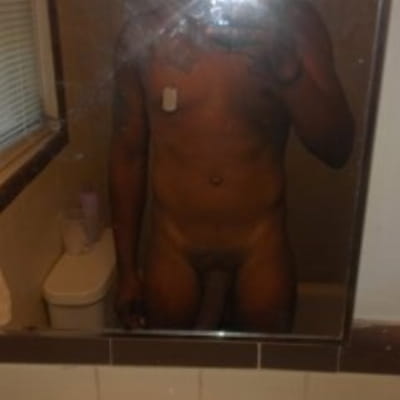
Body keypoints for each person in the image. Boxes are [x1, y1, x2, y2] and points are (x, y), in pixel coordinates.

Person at [110, 0, 354, 332]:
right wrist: (126, 272)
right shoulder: (145, 33)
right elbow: (128, 155)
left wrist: (290, 73)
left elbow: (337, 149)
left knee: (264, 364)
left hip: (260, 243)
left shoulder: (294, 23)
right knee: (170, 362)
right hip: (173, 243)